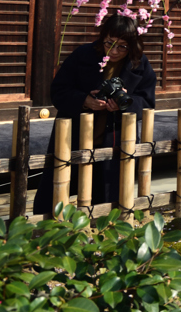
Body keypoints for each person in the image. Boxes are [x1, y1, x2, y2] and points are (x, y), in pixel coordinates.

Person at [33, 13, 156, 214]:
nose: (114, 51)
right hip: (74, 134)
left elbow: (148, 102)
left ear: (132, 45)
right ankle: (48, 226)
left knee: (109, 195)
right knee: (56, 189)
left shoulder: (139, 63)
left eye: (122, 47)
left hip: (114, 138)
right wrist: (84, 100)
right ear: (102, 37)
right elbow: (58, 91)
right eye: (109, 43)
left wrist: (125, 103)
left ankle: (106, 228)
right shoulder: (83, 55)